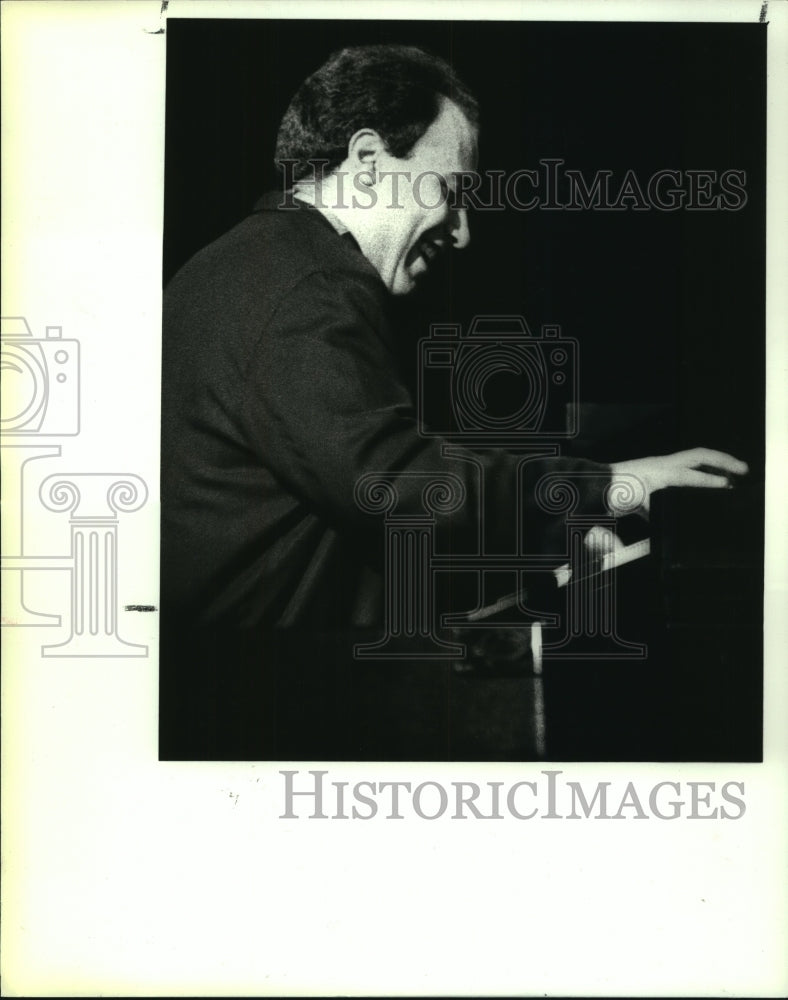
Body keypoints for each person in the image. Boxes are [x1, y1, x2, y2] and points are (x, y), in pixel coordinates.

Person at [160, 44, 747, 758]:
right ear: (370, 161)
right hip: (274, 704)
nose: (464, 232)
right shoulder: (304, 287)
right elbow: (397, 487)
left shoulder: (251, 266)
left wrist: (538, 547)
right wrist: (608, 485)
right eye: (452, 190)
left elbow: (328, 524)